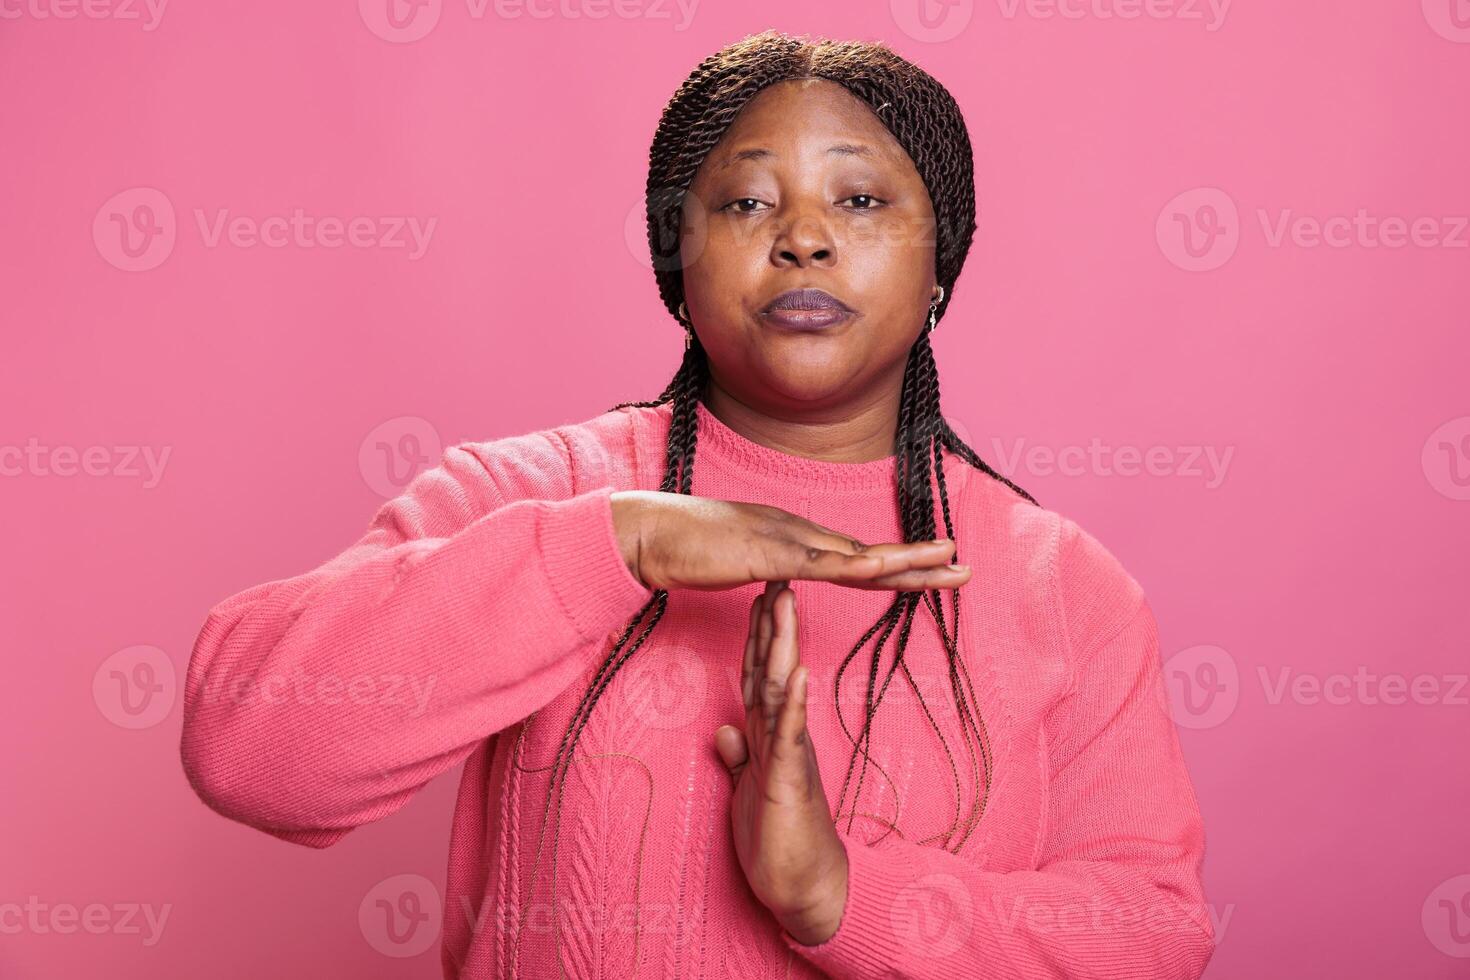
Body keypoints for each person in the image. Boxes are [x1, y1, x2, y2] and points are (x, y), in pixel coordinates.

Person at [179, 30, 1215, 980]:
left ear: (943, 259)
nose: (803, 237)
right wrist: (622, 542)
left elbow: (1153, 932)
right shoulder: (535, 493)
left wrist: (837, 893)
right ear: (678, 258)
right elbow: (249, 750)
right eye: (746, 201)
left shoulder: (1063, 583)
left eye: (859, 200)